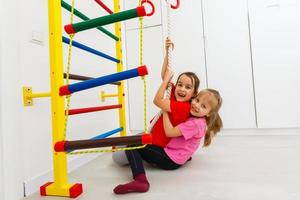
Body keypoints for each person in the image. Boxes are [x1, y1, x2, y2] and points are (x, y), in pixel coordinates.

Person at [113, 67, 223, 195]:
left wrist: (165, 109)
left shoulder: (196, 123)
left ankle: (140, 180)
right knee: (138, 139)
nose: (196, 105)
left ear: (209, 113)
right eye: (197, 100)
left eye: (203, 106)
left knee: (132, 146)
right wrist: (167, 52)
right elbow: (165, 76)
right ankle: (184, 155)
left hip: (170, 159)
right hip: (172, 152)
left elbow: (169, 132)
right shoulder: (196, 116)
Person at [112, 37, 200, 165]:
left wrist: (165, 81)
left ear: (194, 94)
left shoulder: (184, 107)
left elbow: (157, 101)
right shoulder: (176, 95)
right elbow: (165, 75)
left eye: (188, 87)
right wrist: (167, 53)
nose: (181, 89)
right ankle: (120, 147)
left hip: (156, 143)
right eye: (180, 84)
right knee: (127, 141)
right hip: (152, 132)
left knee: (117, 159)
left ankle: (125, 154)